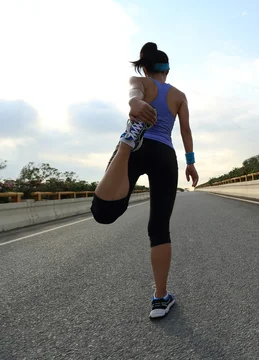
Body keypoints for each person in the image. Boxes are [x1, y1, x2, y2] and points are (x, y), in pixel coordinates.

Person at [91, 42, 199, 319]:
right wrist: (190, 162)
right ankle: (161, 298)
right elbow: (185, 129)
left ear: (146, 68)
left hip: (139, 144)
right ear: (167, 70)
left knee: (104, 214)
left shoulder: (139, 81)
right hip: (164, 152)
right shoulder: (179, 95)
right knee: (159, 227)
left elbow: (134, 95)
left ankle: (127, 142)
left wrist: (136, 104)